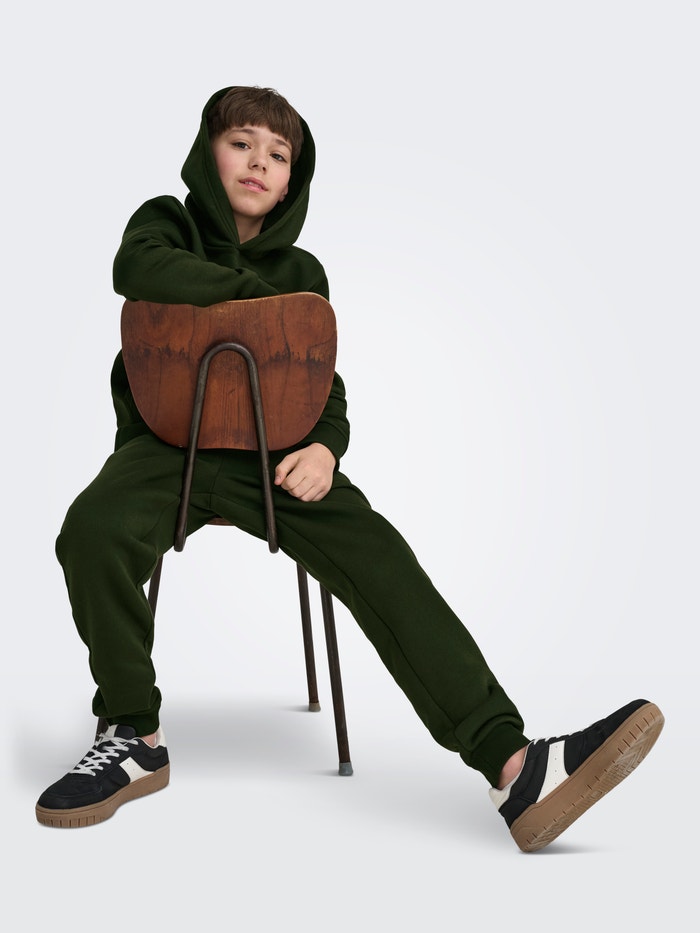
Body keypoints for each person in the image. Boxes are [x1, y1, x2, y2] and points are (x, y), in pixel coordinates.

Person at [36, 86, 664, 851]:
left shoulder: (303, 269)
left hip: (275, 453)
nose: (259, 162)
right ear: (208, 152)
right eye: (241, 143)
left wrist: (326, 447)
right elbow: (139, 268)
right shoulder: (164, 224)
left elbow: (317, 376)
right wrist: (261, 309)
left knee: (381, 555)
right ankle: (132, 731)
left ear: (292, 179)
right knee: (90, 530)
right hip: (168, 446)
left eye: (278, 154)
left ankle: (515, 764)